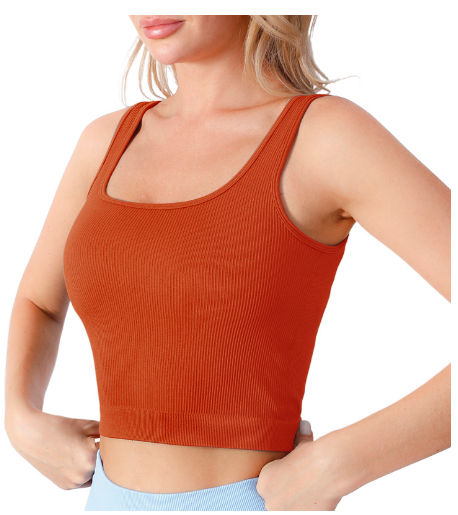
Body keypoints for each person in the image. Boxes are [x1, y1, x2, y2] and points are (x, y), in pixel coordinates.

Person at [4, 15, 451, 512]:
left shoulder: (324, 136)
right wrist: (20, 417)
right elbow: (40, 301)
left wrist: (340, 464)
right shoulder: (106, 141)